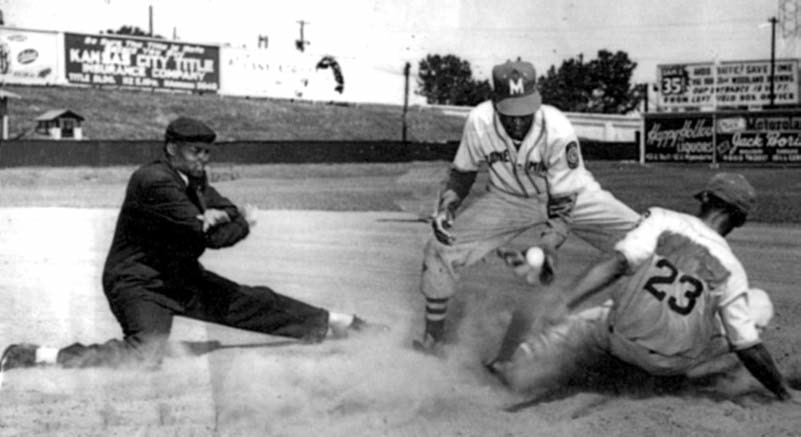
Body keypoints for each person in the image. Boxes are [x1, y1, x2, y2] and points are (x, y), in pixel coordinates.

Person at [1, 117, 380, 372]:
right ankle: (37, 354)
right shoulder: (154, 180)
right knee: (145, 357)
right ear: (171, 149)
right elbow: (211, 237)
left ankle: (339, 323)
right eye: (195, 151)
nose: (203, 158)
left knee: (251, 301)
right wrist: (236, 222)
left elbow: (225, 213)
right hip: (139, 284)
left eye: (206, 151)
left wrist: (231, 219)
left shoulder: (194, 179)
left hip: (181, 278)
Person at [485, 173, 800, 403]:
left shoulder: (661, 219)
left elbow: (617, 263)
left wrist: (565, 301)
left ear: (704, 199)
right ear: (740, 220)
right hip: (672, 364)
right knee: (758, 304)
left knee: (585, 321)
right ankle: (665, 375)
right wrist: (783, 391)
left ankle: (515, 366)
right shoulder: (733, 270)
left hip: (618, 339)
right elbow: (747, 347)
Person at [414, 59, 640, 352]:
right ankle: (434, 339)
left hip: (573, 195)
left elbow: (562, 206)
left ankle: (650, 330)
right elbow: (462, 173)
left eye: (526, 111)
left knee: (647, 239)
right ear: (494, 103)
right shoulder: (479, 121)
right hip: (508, 199)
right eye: (511, 112)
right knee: (439, 247)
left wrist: (548, 245)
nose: (519, 121)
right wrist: (447, 207)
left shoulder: (556, 127)